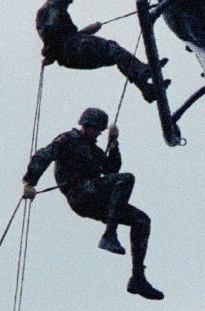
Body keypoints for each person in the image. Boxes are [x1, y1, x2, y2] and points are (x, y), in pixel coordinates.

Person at [22, 106, 164, 300]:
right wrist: (30, 182)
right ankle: (109, 235)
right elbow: (43, 155)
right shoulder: (68, 140)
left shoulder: (95, 151)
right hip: (79, 194)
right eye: (96, 129)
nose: (97, 134)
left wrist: (113, 141)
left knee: (141, 220)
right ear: (85, 125)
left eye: (100, 130)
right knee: (126, 179)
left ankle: (138, 277)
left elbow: (111, 169)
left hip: (96, 199)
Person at [35, 0, 165, 104]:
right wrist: (50, 54)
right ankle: (141, 72)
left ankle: (145, 88)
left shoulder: (55, 10)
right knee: (112, 50)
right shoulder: (52, 8)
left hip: (71, 52)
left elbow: (63, 36)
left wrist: (88, 30)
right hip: (72, 51)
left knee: (114, 52)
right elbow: (52, 35)